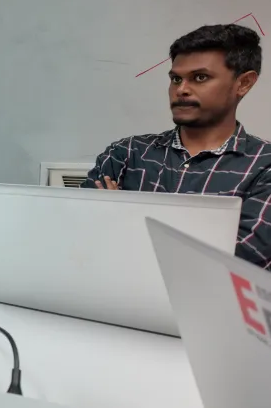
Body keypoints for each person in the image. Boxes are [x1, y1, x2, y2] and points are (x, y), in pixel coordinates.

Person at [82, 24, 271, 270]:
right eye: (175, 79)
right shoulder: (127, 153)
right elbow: (82, 234)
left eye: (200, 77)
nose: (181, 89)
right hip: (114, 301)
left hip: (211, 308)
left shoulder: (264, 165)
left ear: (243, 83)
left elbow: (237, 261)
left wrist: (121, 221)